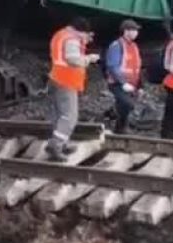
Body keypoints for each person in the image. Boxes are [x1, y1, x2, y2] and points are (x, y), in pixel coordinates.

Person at [46, 17, 99, 161]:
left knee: (58, 115)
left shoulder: (60, 34)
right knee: (69, 116)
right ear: (81, 31)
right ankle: (56, 146)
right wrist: (89, 59)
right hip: (66, 81)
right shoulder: (73, 39)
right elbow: (72, 59)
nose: (87, 39)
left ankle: (61, 143)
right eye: (87, 35)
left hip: (56, 78)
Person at [105, 19, 142, 134]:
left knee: (125, 106)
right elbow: (112, 66)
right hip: (117, 83)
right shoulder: (117, 45)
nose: (136, 33)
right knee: (127, 104)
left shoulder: (134, 46)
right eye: (134, 30)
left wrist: (140, 85)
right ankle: (116, 119)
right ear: (126, 31)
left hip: (131, 84)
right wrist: (122, 82)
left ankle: (119, 127)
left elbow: (137, 67)